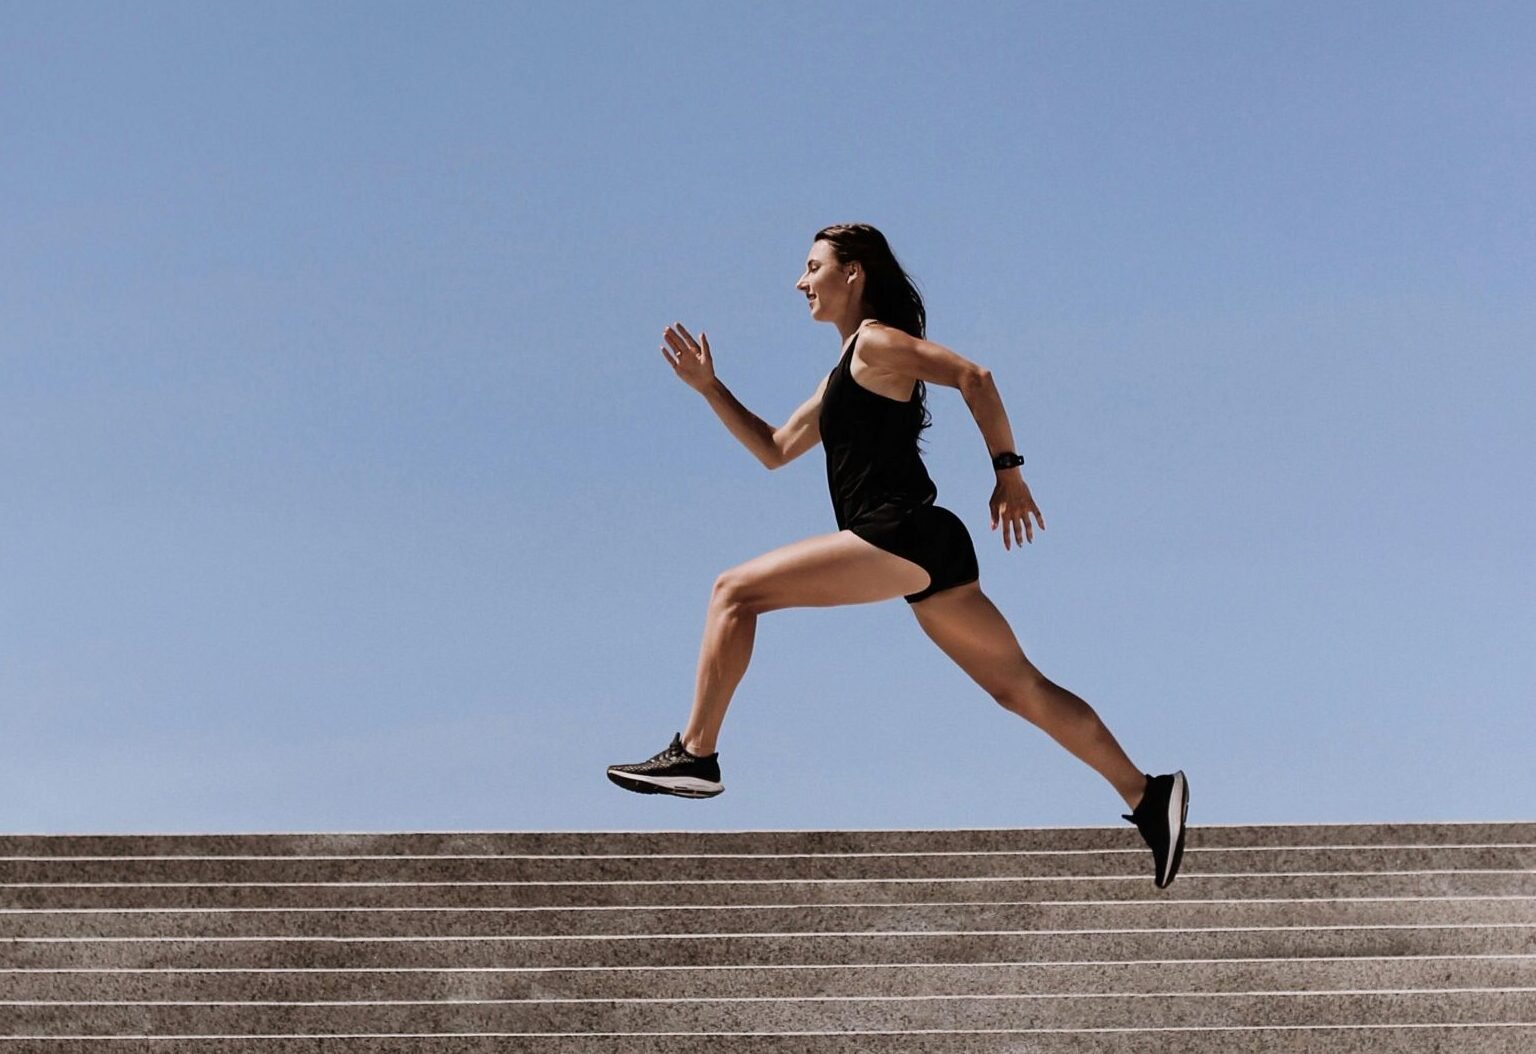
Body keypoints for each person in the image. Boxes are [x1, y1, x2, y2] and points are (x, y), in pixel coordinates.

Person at [607, 223, 1189, 888]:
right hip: (929, 546)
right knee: (1018, 687)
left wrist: (1008, 472)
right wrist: (710, 387)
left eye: (813, 267)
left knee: (733, 591)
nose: (801, 283)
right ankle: (1148, 795)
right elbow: (772, 448)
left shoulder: (878, 342)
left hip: (899, 534)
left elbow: (974, 375)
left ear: (854, 273)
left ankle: (696, 755)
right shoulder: (842, 374)